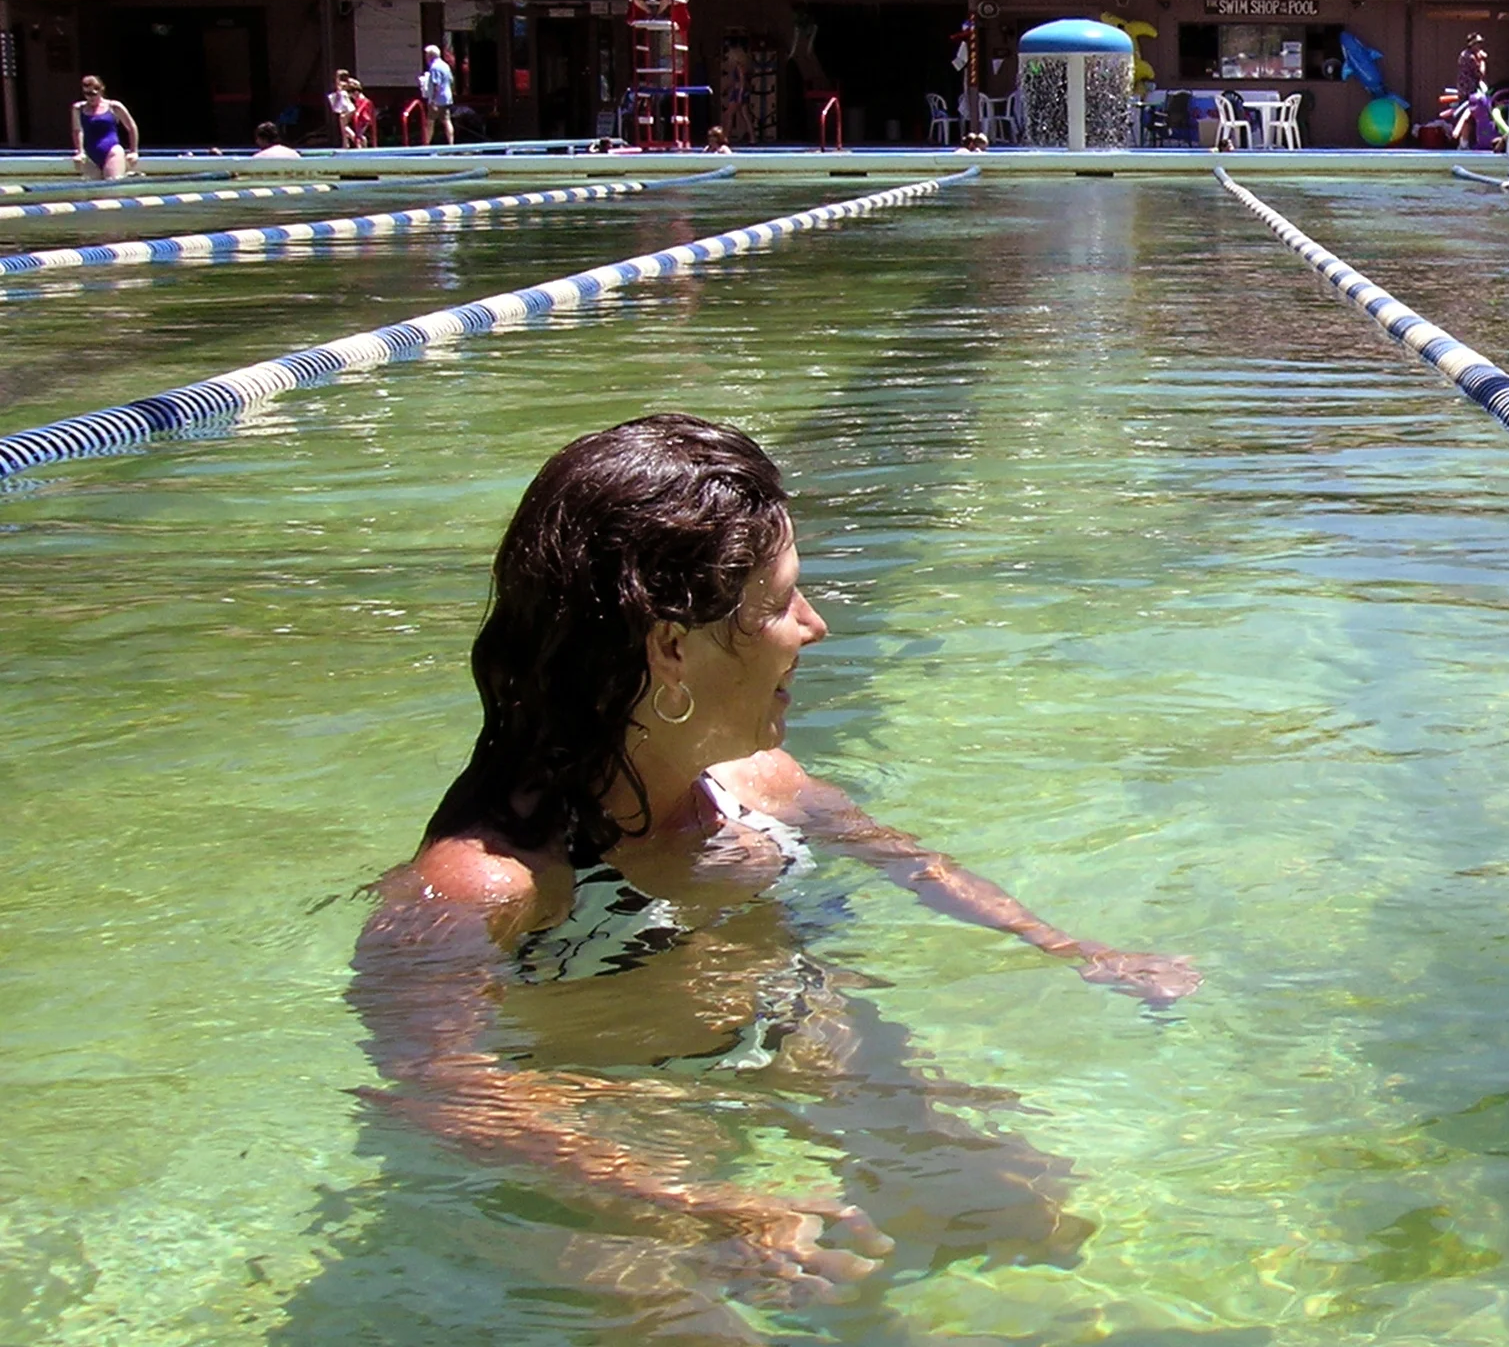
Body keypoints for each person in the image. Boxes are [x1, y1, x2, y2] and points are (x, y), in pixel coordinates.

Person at [352, 417, 1193, 1302]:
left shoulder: (757, 779)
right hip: (609, 1118)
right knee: (694, 1323)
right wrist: (704, 1203)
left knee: (1030, 1215)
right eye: (783, 600)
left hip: (798, 1030)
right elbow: (430, 1085)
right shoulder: (487, 880)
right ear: (673, 647)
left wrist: (1075, 950)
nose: (814, 627)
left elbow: (906, 861)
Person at [70, 73, 138, 179]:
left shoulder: (114, 106)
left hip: (112, 150)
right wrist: (80, 152)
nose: (90, 97)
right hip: (91, 154)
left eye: (93, 94)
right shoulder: (78, 109)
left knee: (112, 185)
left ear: (101, 90)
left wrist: (133, 151)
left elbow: (131, 127)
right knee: (91, 190)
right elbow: (77, 130)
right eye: (87, 93)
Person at [419, 44, 457, 146]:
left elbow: (436, 84)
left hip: (437, 99)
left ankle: (426, 145)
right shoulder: (445, 66)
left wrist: (433, 101)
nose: (426, 57)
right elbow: (451, 81)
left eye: (427, 55)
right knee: (446, 120)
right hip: (446, 98)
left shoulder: (434, 67)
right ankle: (451, 144)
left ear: (431, 55)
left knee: (430, 122)